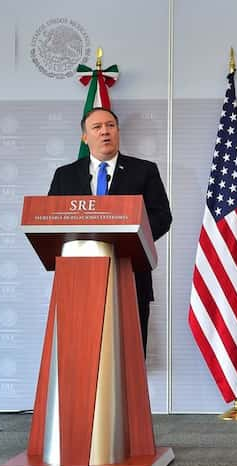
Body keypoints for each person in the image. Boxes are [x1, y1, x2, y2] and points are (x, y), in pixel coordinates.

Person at [49, 107, 172, 356]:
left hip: (131, 275)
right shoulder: (65, 175)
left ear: (117, 131)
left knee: (128, 358)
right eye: (97, 127)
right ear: (85, 137)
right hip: (78, 279)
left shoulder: (144, 171)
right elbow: (52, 222)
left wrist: (129, 242)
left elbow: (162, 217)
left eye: (110, 126)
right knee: (80, 357)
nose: (105, 131)